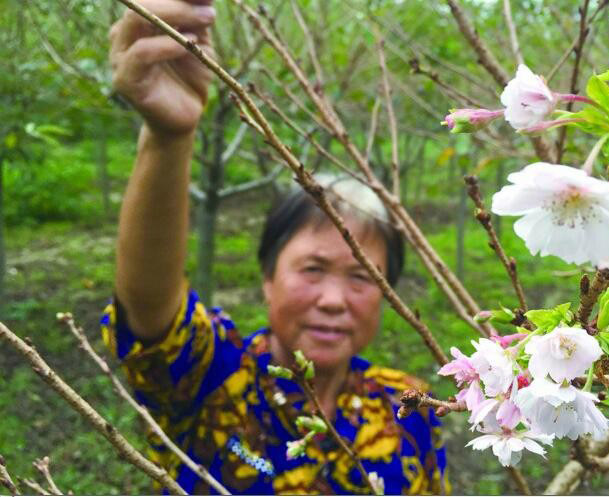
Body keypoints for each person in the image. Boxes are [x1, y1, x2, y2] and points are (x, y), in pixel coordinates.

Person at [102, 0, 449, 494]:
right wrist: (167, 136)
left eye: (362, 277)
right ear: (268, 277)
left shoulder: (410, 407)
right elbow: (151, 311)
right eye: (312, 268)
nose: (333, 299)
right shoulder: (214, 380)